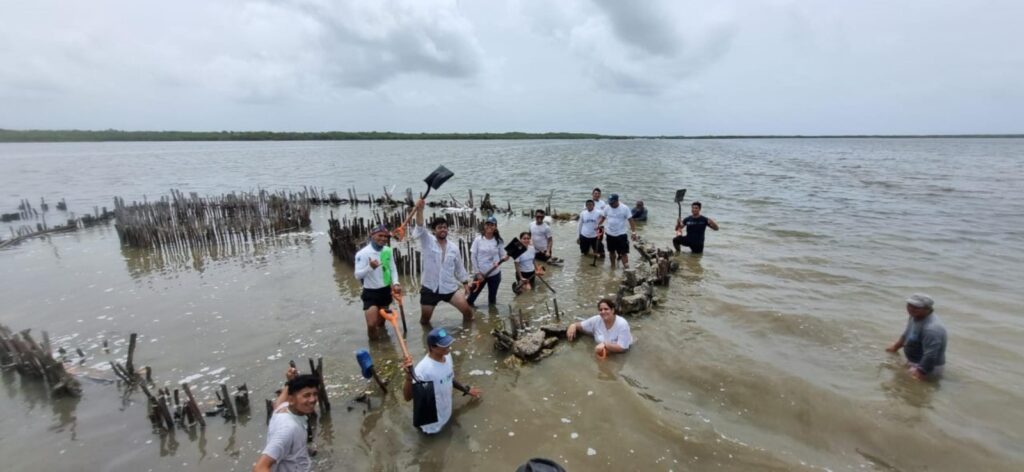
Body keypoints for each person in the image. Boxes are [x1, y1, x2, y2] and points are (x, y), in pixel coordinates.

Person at [402, 327, 482, 434]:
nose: (448, 347)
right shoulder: (424, 370)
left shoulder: (447, 356)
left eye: (448, 343)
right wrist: (408, 378)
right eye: (444, 345)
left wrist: (466, 390)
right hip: (432, 425)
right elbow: (408, 398)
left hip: (446, 412)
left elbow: (449, 378)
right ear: (432, 347)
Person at [413, 199, 474, 325]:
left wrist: (465, 284)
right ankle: (427, 341)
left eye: (445, 227)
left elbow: (459, 268)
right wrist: (420, 210)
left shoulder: (453, 247)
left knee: (468, 313)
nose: (443, 230)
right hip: (430, 287)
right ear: (434, 230)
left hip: (449, 287)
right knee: (425, 320)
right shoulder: (427, 241)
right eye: (440, 227)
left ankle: (467, 335)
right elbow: (419, 227)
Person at [252, 369, 319, 472]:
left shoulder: (282, 408)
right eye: (306, 395)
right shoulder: (287, 430)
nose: (313, 399)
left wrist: (289, 382)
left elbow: (279, 402)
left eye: (315, 394)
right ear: (291, 399)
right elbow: (259, 468)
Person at [353, 224, 401, 338]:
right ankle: (374, 347)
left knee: (380, 323)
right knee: (371, 324)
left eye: (385, 236)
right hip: (370, 292)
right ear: (372, 236)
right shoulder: (363, 253)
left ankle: (382, 348)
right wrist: (370, 267)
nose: (383, 239)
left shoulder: (388, 251)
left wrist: (396, 283)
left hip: (385, 291)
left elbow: (393, 269)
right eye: (380, 235)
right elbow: (357, 276)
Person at [886, 294, 947, 380]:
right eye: (909, 305)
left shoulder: (931, 329)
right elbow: (907, 333)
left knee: (909, 390)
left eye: (916, 307)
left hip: (927, 367)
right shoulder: (914, 316)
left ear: (928, 308)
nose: (910, 309)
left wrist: (920, 372)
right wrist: (895, 347)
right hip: (914, 361)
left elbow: (931, 355)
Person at [566, 298, 633, 358]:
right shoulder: (596, 319)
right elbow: (580, 325)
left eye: (606, 309)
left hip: (621, 353)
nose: (603, 312)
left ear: (612, 310)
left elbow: (622, 348)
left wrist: (605, 344)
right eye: (601, 310)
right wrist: (573, 325)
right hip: (602, 352)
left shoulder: (622, 324)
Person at [467, 216, 509, 307]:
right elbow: (473, 257)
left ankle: (492, 318)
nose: (489, 226)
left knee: (492, 300)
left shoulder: (499, 241)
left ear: (495, 227)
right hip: (481, 275)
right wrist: (478, 273)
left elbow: (502, 255)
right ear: (484, 226)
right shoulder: (478, 239)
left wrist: (505, 258)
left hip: (495, 275)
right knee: (470, 299)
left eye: (492, 225)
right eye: (488, 224)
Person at [597, 193, 637, 268]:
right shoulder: (607, 207)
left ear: (617, 201)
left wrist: (634, 232)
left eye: (612, 202)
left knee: (623, 253)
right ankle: (613, 267)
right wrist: (598, 225)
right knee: (611, 251)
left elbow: (631, 220)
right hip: (609, 234)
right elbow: (603, 217)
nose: (610, 204)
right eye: (609, 202)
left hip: (621, 234)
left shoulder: (625, 208)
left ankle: (626, 269)